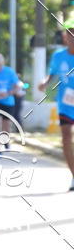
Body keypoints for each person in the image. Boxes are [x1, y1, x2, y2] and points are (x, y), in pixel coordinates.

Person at [38, 17, 74, 191]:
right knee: (66, 137)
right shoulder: (58, 56)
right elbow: (51, 74)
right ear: (64, 36)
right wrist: (44, 82)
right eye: (69, 32)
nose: (72, 35)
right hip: (66, 103)